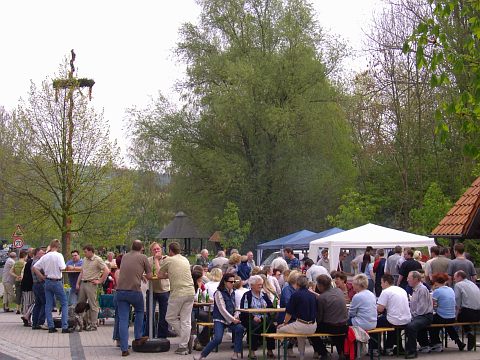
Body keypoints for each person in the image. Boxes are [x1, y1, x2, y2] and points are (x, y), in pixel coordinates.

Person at [194, 273, 244, 360]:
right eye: (230, 282)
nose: (232, 283)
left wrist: (236, 316)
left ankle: (236, 353)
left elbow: (236, 306)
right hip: (220, 319)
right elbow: (222, 309)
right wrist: (233, 319)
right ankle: (202, 355)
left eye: (234, 281)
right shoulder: (218, 293)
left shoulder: (233, 292)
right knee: (217, 338)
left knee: (240, 329)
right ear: (224, 282)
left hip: (231, 318)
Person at [116, 240, 153, 356]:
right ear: (142, 248)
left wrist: (139, 275)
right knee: (140, 311)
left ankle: (124, 348)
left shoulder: (125, 257)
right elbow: (150, 275)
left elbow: (129, 271)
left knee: (123, 319)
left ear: (131, 247)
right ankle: (138, 337)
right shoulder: (143, 257)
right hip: (134, 291)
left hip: (120, 292)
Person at [159, 241, 195, 355]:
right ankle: (183, 345)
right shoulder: (185, 259)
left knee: (170, 317)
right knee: (186, 320)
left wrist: (158, 260)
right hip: (190, 291)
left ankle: (187, 339)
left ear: (170, 251)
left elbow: (159, 275)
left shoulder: (168, 260)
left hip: (178, 292)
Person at [32, 239, 70, 334]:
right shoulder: (59, 255)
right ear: (58, 246)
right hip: (56, 281)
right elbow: (62, 267)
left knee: (48, 304)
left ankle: (51, 326)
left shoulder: (45, 257)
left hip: (47, 281)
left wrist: (42, 277)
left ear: (51, 245)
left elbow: (35, 268)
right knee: (64, 303)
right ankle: (65, 326)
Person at [277, 275, 317, 360]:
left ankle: (281, 354)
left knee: (279, 329)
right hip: (313, 326)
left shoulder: (295, 295)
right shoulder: (313, 295)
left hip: (301, 325)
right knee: (300, 333)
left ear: (297, 284)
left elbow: (289, 313)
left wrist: (284, 323)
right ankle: (302, 356)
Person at [422, 273, 465, 352]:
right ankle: (458, 342)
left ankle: (436, 343)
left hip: (442, 317)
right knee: (447, 325)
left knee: (430, 322)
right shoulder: (450, 289)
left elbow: (433, 305)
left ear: (435, 281)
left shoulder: (437, 291)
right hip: (452, 317)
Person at [310, 274, 348, 360]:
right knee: (336, 327)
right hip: (344, 325)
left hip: (331, 326)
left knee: (310, 331)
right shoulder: (339, 291)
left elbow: (319, 317)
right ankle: (341, 352)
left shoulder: (322, 298)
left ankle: (324, 353)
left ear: (320, 286)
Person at [239, 275, 276, 359]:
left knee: (272, 326)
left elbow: (270, 306)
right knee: (254, 326)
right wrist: (253, 317)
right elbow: (243, 310)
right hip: (250, 318)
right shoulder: (247, 295)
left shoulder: (264, 295)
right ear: (252, 285)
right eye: (258, 284)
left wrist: (272, 311)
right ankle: (252, 351)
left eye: (261, 284)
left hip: (264, 318)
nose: (260, 286)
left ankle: (270, 350)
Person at [374, 274, 411, 355]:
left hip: (394, 320)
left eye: (381, 282)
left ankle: (374, 349)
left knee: (373, 324)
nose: (381, 285)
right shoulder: (402, 290)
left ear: (386, 282)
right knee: (391, 323)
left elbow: (380, 309)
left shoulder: (386, 292)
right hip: (407, 319)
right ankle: (389, 347)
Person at [76, 244, 109, 331]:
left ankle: (93, 324)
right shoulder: (85, 260)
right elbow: (82, 272)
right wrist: (78, 283)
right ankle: (82, 323)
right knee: (80, 304)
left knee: (92, 304)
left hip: (91, 283)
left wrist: (100, 280)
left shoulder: (97, 260)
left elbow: (107, 270)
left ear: (91, 251)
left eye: (86, 252)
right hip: (83, 282)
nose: (84, 253)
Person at [405, 271, 433, 358]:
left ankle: (412, 351)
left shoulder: (422, 289)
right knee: (405, 323)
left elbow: (422, 309)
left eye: (409, 278)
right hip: (419, 315)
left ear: (416, 279)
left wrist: (412, 316)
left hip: (425, 316)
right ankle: (405, 348)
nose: (407, 280)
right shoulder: (415, 289)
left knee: (411, 326)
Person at [144, 242, 170, 339]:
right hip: (151, 290)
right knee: (150, 314)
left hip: (164, 290)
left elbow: (160, 274)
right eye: (154, 249)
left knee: (164, 315)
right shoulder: (148, 260)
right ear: (151, 251)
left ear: (161, 250)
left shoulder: (166, 260)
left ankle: (162, 336)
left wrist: (156, 260)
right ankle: (149, 335)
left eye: (158, 249)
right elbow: (145, 274)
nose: (156, 251)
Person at [453, 270, 480, 351]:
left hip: (469, 314)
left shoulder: (458, 285)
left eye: (455, 278)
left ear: (459, 277)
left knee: (452, 319)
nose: (454, 280)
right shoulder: (472, 283)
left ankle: (468, 333)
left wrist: (455, 315)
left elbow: (457, 301)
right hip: (478, 314)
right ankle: (469, 333)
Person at [31, 248, 47, 330]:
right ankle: (40, 322)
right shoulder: (37, 262)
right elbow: (41, 276)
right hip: (40, 284)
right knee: (45, 303)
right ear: (37, 253)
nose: (43, 254)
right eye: (42, 253)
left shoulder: (33, 261)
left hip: (35, 285)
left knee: (38, 304)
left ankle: (34, 323)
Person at [20, 249, 35, 326]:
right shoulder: (32, 262)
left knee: (27, 302)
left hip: (26, 285)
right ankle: (27, 318)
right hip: (28, 285)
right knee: (30, 302)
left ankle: (27, 318)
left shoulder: (28, 262)